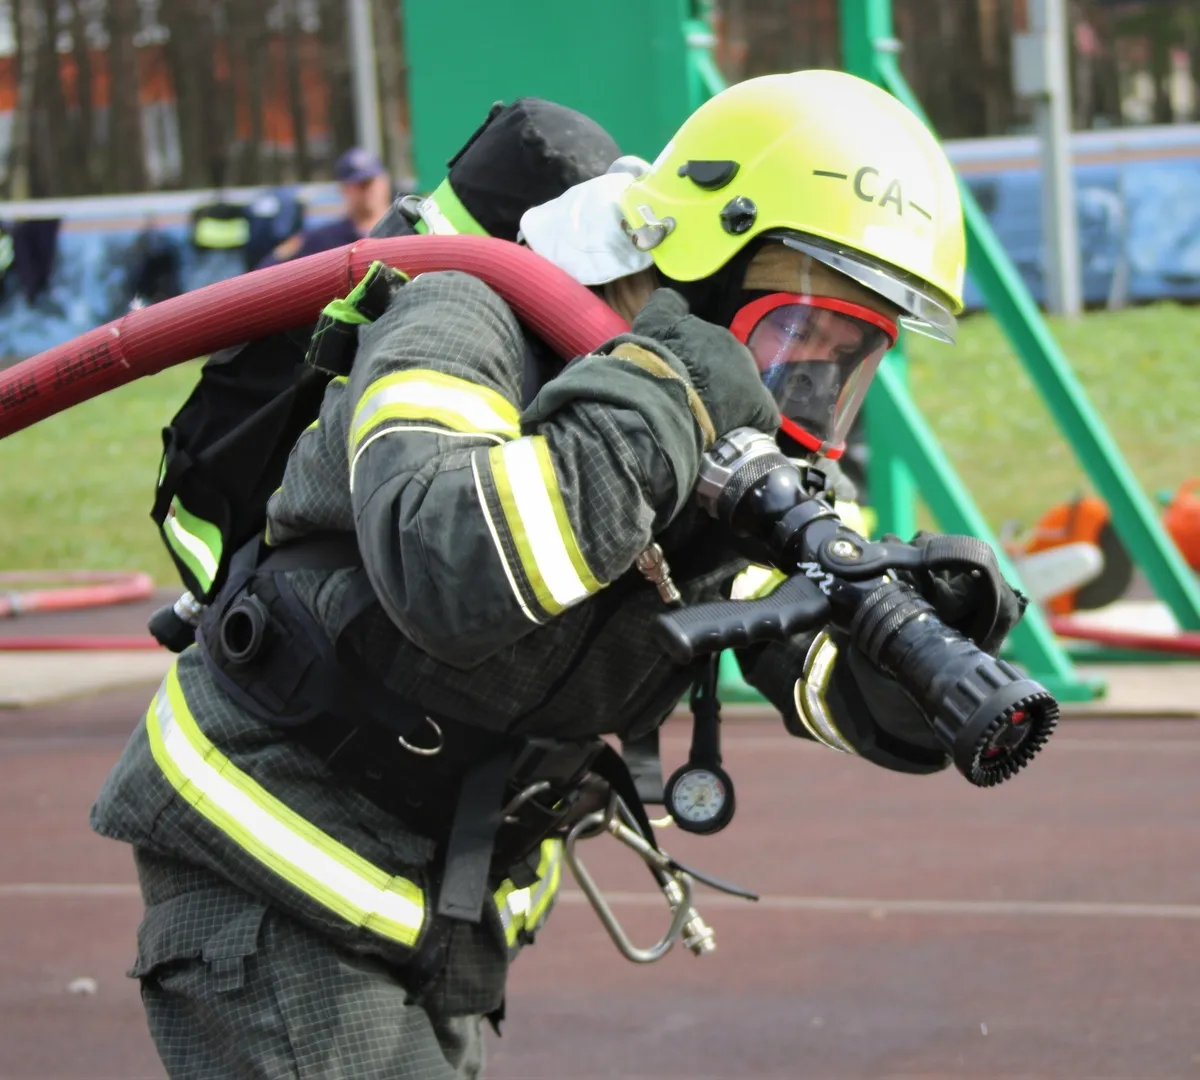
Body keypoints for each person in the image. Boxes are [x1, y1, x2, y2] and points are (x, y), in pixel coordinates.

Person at [92, 71, 1026, 1080]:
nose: (794, 391)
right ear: (700, 264)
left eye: (843, 365)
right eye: (792, 337)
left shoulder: (723, 426)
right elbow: (447, 566)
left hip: (437, 910)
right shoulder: (466, 319)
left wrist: (919, 647)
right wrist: (665, 393)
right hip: (272, 855)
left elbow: (810, 659)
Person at [258, 147, 396, 268]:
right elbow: (267, 271)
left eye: (371, 182)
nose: (367, 190)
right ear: (344, 189)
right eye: (360, 184)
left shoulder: (406, 229)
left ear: (385, 181)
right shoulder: (323, 239)